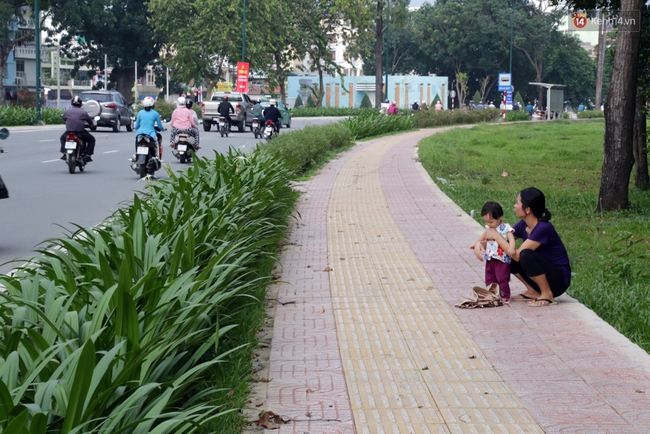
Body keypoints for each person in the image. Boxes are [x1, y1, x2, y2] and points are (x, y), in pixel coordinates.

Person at [472, 187, 571, 307]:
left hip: (558, 280)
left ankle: (547, 294)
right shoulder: (523, 224)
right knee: (507, 254)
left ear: (527, 209)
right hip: (543, 273)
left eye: (518, 203)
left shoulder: (543, 228)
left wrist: (496, 236)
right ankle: (533, 291)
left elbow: (518, 255)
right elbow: (503, 241)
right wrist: (479, 243)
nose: (515, 205)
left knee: (525, 254)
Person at [469, 201, 516, 302]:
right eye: (486, 222)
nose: (488, 224)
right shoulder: (489, 228)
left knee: (502, 278)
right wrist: (476, 242)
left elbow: (511, 238)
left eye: (491, 222)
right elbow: (483, 236)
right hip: (490, 257)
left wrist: (512, 247)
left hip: (502, 258)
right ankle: (491, 293)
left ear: (500, 217)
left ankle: (505, 295)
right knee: (490, 277)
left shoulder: (505, 228)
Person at [60, 95, 96, 161]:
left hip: (69, 131)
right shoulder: (83, 112)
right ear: (80, 104)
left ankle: (64, 153)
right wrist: (92, 125)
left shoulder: (67, 111)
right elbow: (90, 122)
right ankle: (88, 155)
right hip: (80, 132)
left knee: (62, 138)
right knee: (92, 140)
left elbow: (64, 118)